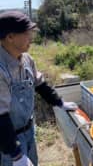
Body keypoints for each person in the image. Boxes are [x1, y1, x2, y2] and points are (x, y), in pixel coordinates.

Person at [0, 11, 78, 166]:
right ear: (10, 37)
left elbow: (40, 84)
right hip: (7, 140)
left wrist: (59, 102)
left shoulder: (27, 59)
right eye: (27, 34)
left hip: (29, 131)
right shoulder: (1, 70)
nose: (31, 38)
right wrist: (16, 155)